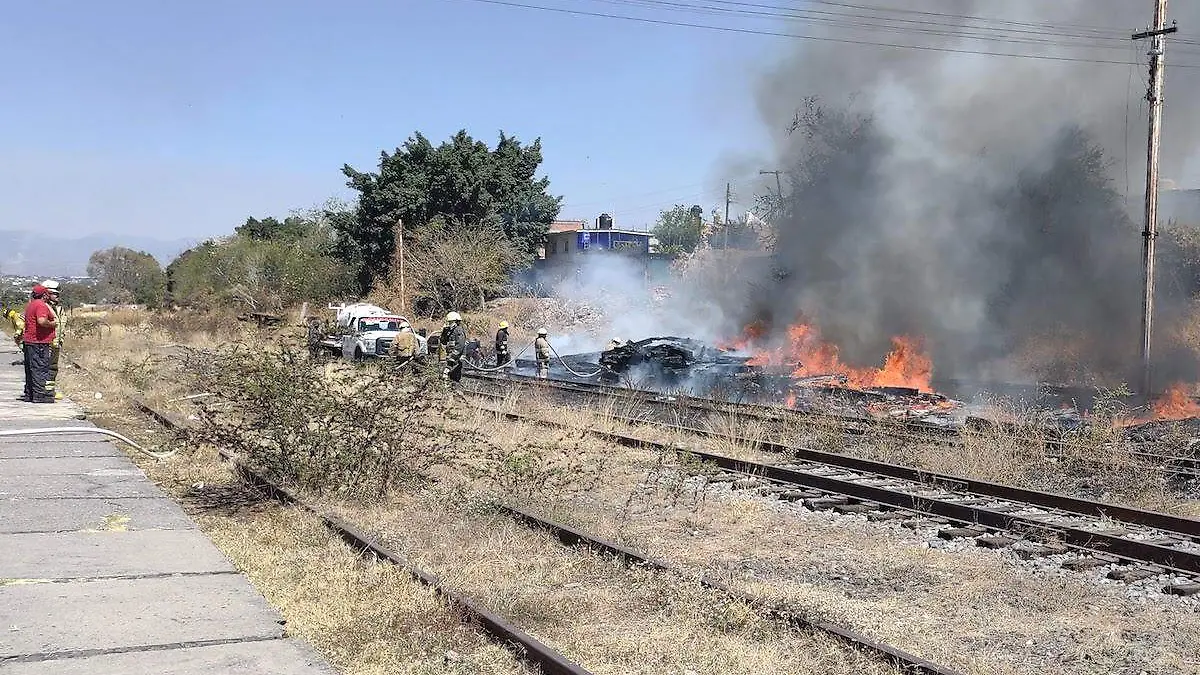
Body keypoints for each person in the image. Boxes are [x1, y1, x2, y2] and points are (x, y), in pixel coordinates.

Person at [21, 284, 57, 404]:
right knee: (40, 368)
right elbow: (41, 321)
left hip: (29, 341)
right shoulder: (41, 305)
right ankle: (40, 395)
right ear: (44, 295)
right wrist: (52, 324)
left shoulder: (31, 305)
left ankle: (29, 393)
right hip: (39, 342)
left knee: (30, 368)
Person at [41, 280, 63, 400]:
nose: (57, 296)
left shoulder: (58, 308)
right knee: (44, 368)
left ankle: (50, 392)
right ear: (47, 294)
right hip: (46, 343)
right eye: (55, 294)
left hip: (56, 343)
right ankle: (42, 392)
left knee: (53, 368)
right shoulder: (43, 307)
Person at [443, 311, 466, 383]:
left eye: (450, 322)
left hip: (457, 358)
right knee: (449, 376)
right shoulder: (450, 332)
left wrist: (453, 356)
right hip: (452, 357)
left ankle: (455, 390)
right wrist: (444, 331)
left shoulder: (458, 330)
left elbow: (460, 345)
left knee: (454, 377)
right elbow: (443, 341)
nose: (448, 324)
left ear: (455, 322)